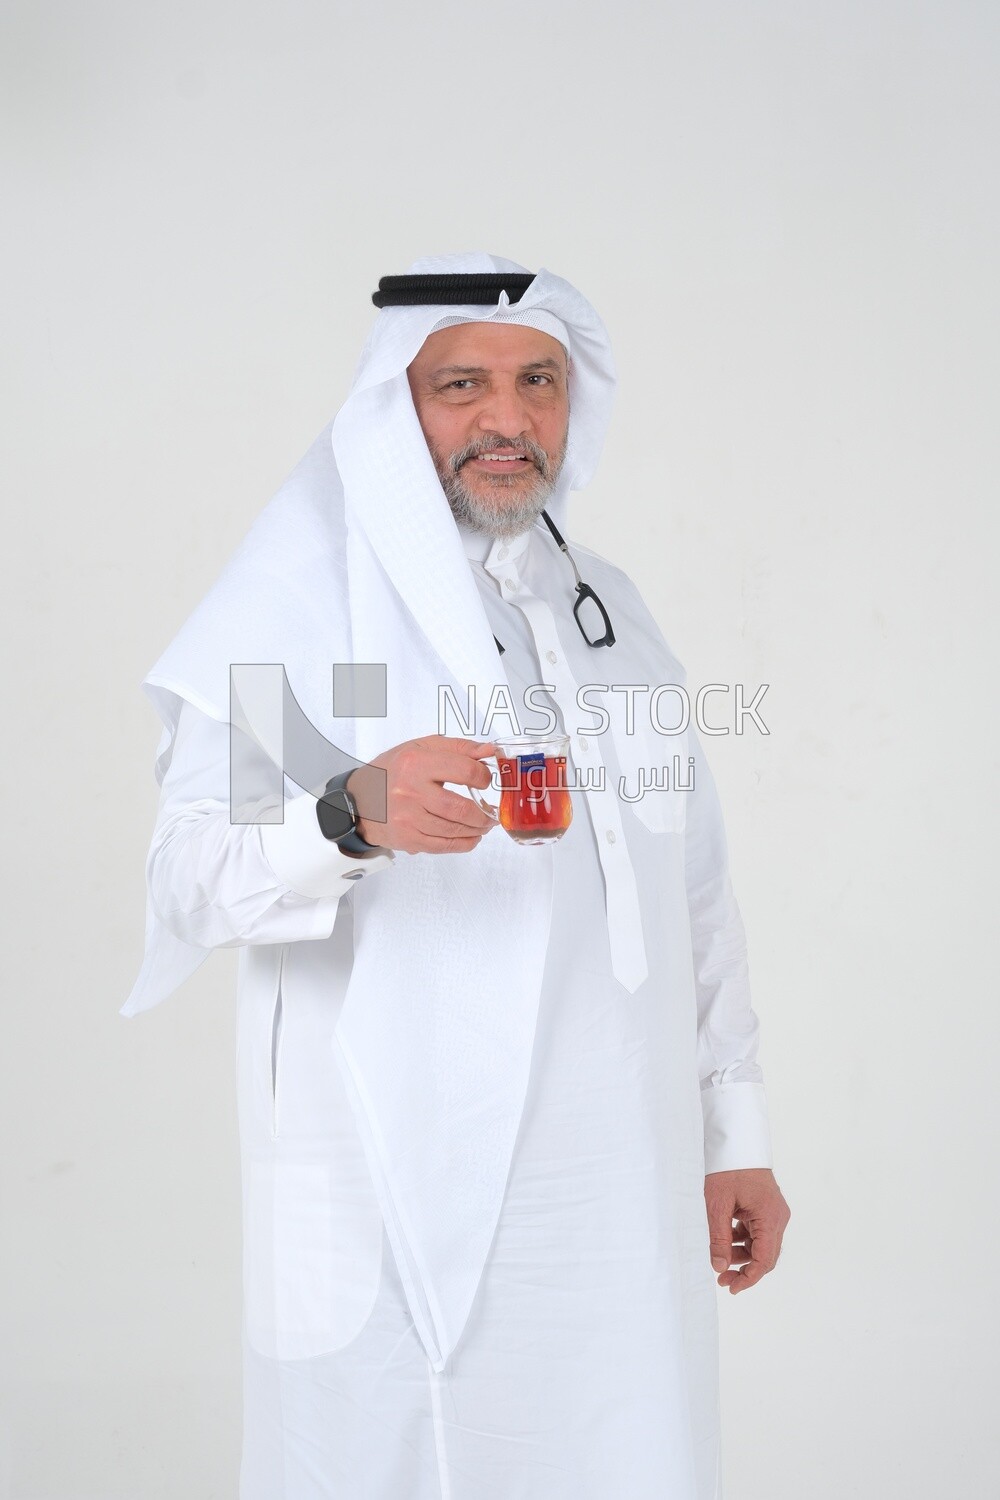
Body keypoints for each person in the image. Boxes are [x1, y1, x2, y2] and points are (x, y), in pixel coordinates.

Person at [124, 253, 790, 1500]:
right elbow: (185, 877)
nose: (507, 418)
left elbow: (692, 885)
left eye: (538, 380)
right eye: (460, 385)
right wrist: (344, 814)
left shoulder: (607, 611)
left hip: (614, 1197)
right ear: (392, 409)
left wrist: (731, 1133)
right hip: (383, 1192)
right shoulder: (299, 608)